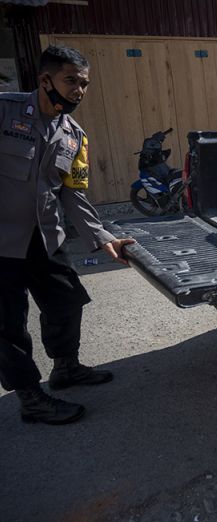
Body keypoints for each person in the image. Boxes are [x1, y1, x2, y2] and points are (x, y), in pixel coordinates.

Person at [0, 45, 135, 425]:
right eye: (71, 80)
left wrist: (102, 236)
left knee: (66, 302)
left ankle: (66, 368)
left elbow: (73, 191)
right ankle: (30, 397)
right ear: (45, 80)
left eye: (84, 83)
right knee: (8, 325)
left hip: (45, 237)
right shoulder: (5, 110)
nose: (79, 90)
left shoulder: (75, 135)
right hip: (2, 242)